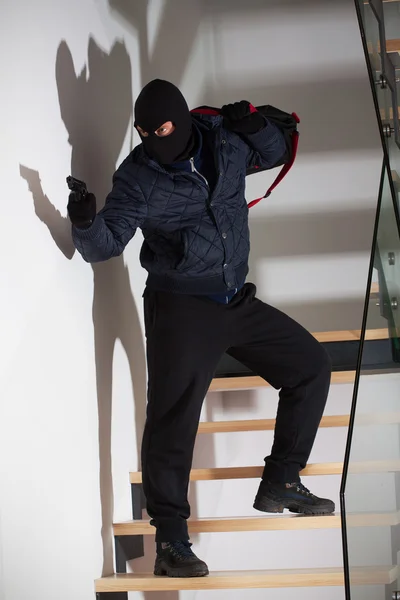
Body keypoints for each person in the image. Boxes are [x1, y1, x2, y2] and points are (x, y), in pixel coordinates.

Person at [68, 79, 334, 579]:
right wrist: (85, 223)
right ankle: (170, 539)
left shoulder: (225, 139)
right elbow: (105, 245)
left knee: (311, 366)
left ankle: (281, 479)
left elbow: (274, 153)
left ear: (185, 122)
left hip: (235, 296)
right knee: (173, 419)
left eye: (163, 130)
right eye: (145, 134)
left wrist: (254, 123)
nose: (154, 142)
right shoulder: (138, 177)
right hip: (181, 306)